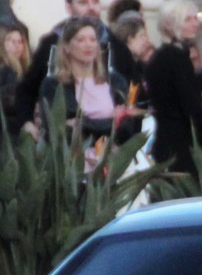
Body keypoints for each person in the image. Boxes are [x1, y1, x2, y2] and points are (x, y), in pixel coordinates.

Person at [14, 0, 131, 134]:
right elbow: (27, 89)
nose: (91, 8)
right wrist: (26, 122)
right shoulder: (51, 43)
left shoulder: (117, 46)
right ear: (69, 7)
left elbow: (129, 110)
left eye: (95, 2)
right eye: (83, 2)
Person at [35, 16, 140, 164]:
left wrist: (82, 122)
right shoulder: (53, 85)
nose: (88, 45)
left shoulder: (116, 81)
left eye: (92, 39)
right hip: (73, 164)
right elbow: (59, 131)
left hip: (112, 161)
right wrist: (112, 121)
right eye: (81, 40)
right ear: (67, 47)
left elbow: (128, 126)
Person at [145, 0, 202, 175]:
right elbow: (192, 107)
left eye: (196, 18)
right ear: (171, 25)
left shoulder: (159, 57)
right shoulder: (176, 58)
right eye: (188, 19)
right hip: (181, 151)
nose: (195, 24)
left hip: (166, 146)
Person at [0, 18, 30, 140]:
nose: (17, 46)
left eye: (20, 41)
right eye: (11, 41)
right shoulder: (7, 70)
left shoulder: (20, 69)